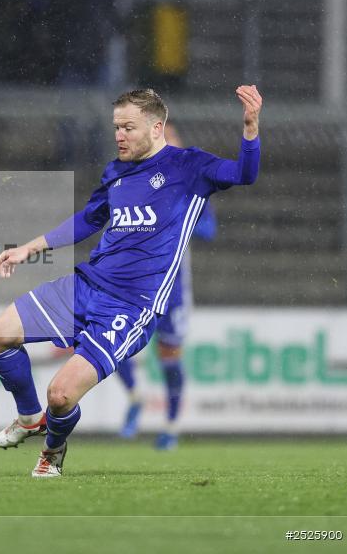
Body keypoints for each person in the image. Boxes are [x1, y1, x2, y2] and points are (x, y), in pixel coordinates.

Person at [0, 86, 262, 477]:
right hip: (86, 286)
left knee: (60, 395)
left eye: (128, 127)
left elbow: (245, 174)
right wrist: (31, 247)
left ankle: (53, 450)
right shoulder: (116, 171)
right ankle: (29, 417)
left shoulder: (190, 166)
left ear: (156, 127)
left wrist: (250, 129)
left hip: (131, 306)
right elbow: (89, 219)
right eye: (116, 127)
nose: (119, 136)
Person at [115, 121, 217, 450]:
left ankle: (171, 428)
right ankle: (135, 396)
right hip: (136, 284)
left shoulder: (192, 187)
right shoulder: (134, 181)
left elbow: (208, 230)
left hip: (172, 289)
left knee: (169, 356)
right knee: (112, 345)